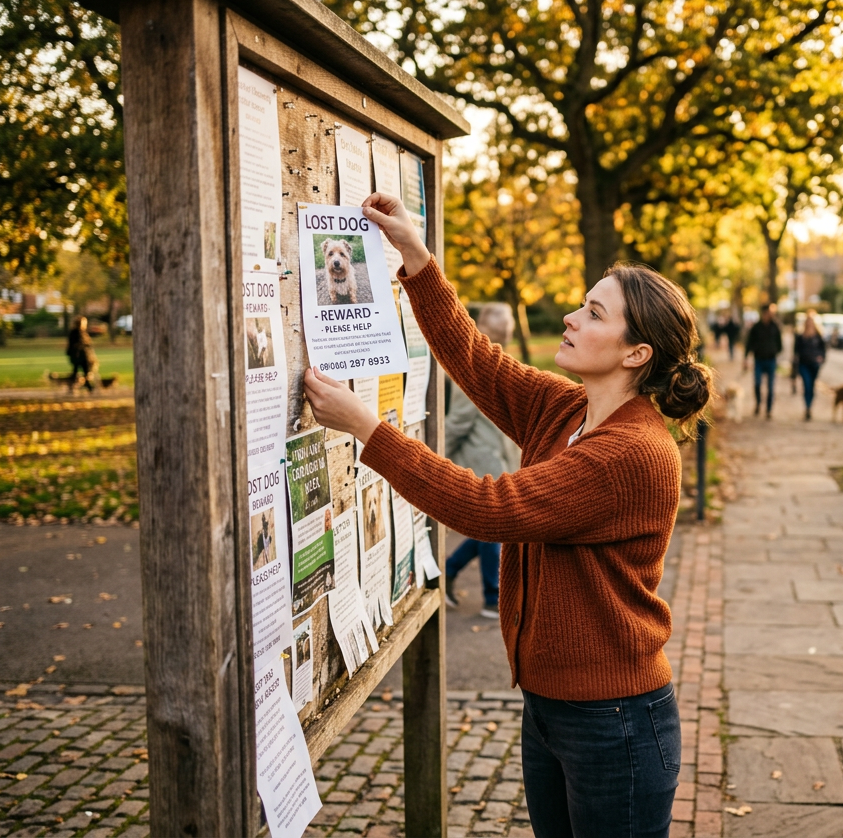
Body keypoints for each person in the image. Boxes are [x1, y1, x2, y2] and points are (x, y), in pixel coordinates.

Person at [304, 192, 715, 838]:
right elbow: (478, 362)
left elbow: (487, 506)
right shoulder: (570, 409)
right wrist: (417, 257)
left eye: (593, 312)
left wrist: (368, 431)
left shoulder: (632, 453)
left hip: (616, 721)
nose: (572, 318)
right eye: (581, 303)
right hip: (552, 708)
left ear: (636, 353)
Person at [444, 302, 522, 619]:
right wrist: (436, 457)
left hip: (502, 456)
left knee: (491, 529)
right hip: (481, 458)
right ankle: (493, 596)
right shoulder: (473, 367)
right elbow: (457, 424)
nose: (504, 332)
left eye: (506, 328)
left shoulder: (504, 361)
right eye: (499, 327)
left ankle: (449, 569)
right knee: (495, 528)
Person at [744, 303, 782, 418]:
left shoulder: (775, 327)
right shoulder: (756, 328)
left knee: (771, 387)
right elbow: (749, 343)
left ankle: (769, 409)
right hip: (759, 360)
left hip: (771, 360)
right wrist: (746, 357)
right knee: (757, 384)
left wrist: (774, 351)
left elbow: (780, 344)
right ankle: (758, 403)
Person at [791, 311, 827, 420]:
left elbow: (823, 350)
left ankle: (810, 406)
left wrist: (821, 358)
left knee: (811, 386)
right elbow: (795, 351)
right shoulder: (801, 336)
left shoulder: (818, 336)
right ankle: (807, 407)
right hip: (803, 364)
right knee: (806, 385)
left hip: (814, 364)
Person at [65, 316, 96, 392]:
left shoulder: (82, 332)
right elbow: (75, 344)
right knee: (79, 371)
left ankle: (87, 385)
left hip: (81, 355)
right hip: (79, 356)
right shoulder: (76, 333)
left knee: (83, 371)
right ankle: (86, 386)